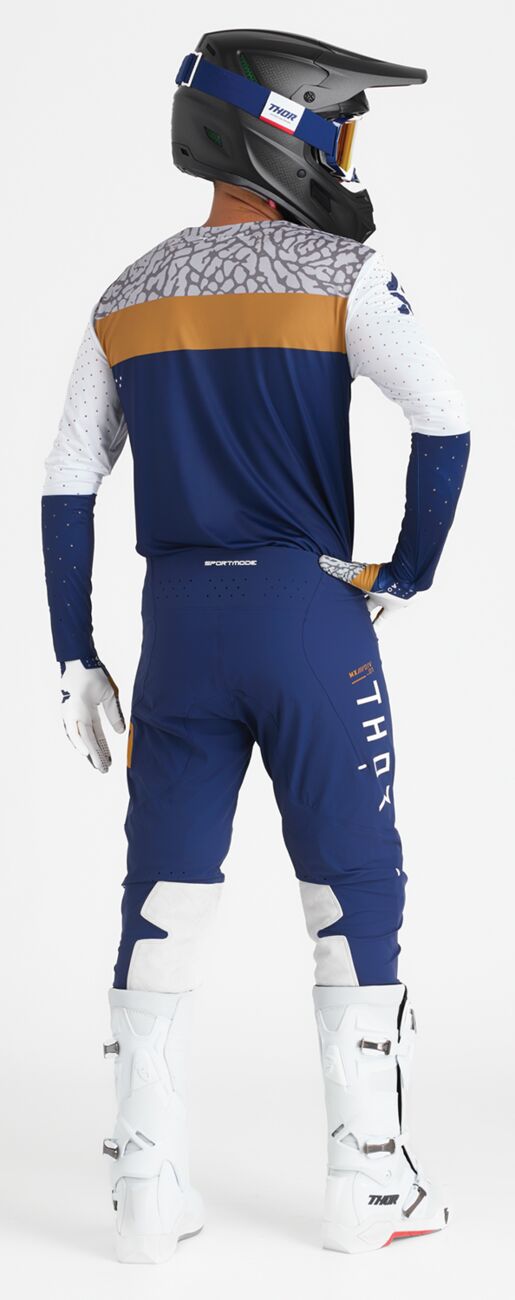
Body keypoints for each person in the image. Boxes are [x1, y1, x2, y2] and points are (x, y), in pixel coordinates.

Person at [42, 28, 470, 1262]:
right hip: (304, 617)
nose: (346, 159)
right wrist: (408, 570)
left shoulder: (126, 292)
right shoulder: (343, 276)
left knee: (163, 886)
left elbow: (68, 477)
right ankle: (366, 1181)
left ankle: (143, 1187)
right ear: (283, 136)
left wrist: (75, 653)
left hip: (177, 631)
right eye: (338, 134)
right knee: (354, 882)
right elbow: (442, 420)